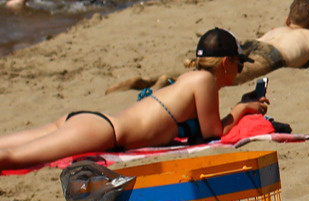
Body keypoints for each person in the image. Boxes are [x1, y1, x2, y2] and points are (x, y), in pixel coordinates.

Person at [0, 28, 265, 169]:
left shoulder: (189, 79)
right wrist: (241, 108)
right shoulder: (205, 81)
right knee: (11, 158)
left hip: (91, 122)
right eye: (240, 65)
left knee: (9, 150)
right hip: (101, 132)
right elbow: (213, 133)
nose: (240, 71)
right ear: (227, 62)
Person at [108, 0, 309, 92]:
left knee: (211, 65)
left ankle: (153, 78)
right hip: (273, 55)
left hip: (252, 43)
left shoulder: (277, 28)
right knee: (227, 78)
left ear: (287, 19)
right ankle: (168, 80)